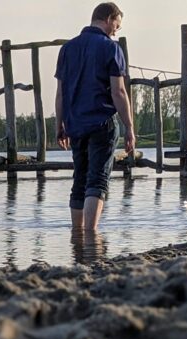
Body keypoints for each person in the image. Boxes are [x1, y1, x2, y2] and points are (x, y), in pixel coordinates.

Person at [55, 2, 136, 231]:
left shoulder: (67, 49)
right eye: (116, 25)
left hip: (75, 123)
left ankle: (77, 236)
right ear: (109, 18)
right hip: (102, 121)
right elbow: (119, 91)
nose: (116, 31)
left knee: (79, 178)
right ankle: (91, 234)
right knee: (98, 179)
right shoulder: (111, 48)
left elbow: (60, 93)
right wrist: (129, 126)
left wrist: (59, 124)